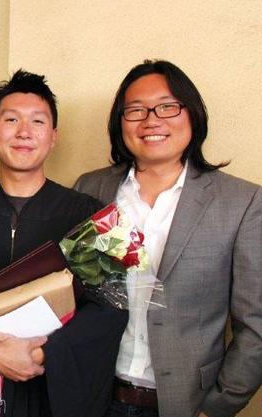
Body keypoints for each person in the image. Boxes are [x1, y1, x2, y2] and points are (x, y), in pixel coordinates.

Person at [0, 70, 128, 417]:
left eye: (38, 121)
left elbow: (111, 307)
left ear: (54, 136)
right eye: (11, 120)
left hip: (51, 390)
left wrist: (39, 354)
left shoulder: (90, 213)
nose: (24, 132)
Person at [74, 60, 262, 417]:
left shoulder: (242, 202)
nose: (151, 120)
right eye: (136, 110)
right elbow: (69, 289)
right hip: (95, 396)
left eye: (167, 106)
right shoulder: (91, 188)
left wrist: (219, 407)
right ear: (120, 122)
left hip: (186, 404)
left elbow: (257, 325)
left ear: (192, 114)